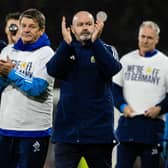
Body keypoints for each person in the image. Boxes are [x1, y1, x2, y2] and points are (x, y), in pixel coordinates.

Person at [46, 10, 122, 168]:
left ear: (95, 27)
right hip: (67, 134)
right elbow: (52, 70)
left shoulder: (107, 49)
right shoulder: (66, 50)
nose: (85, 28)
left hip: (99, 135)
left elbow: (113, 69)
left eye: (88, 24)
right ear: (72, 29)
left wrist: (96, 43)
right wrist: (66, 45)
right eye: (80, 25)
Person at [0, 8, 54, 168]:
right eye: (23, 25)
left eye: (32, 26)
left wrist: (11, 73)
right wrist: (2, 76)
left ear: (41, 30)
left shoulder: (46, 54)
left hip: (33, 130)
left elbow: (37, 88)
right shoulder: (8, 51)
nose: (26, 30)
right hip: (5, 127)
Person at [112, 20, 168, 168]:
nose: (145, 40)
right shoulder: (126, 60)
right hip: (128, 126)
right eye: (142, 36)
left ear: (157, 39)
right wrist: (123, 106)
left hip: (152, 128)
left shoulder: (165, 63)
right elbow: (115, 90)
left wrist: (160, 108)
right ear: (138, 37)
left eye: (150, 37)